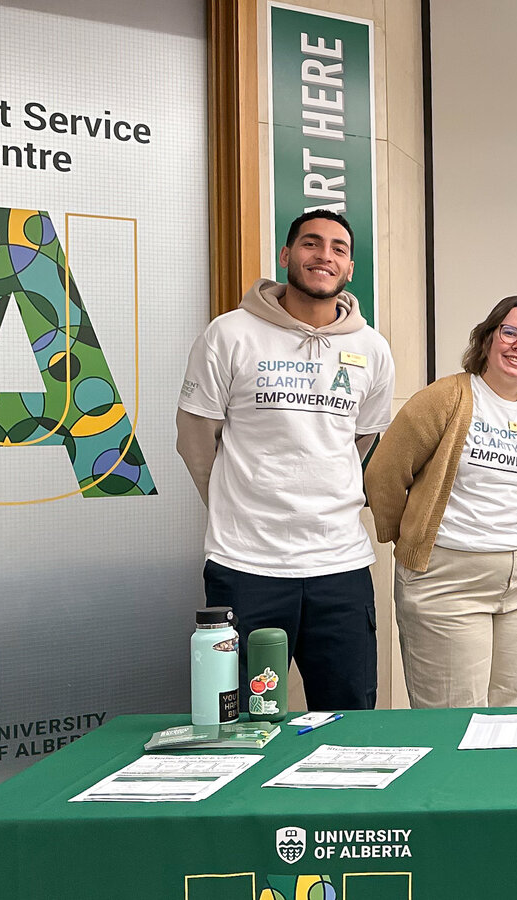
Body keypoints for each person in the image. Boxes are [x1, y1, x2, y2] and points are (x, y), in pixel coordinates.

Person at [176, 210, 393, 711]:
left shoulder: (372, 349)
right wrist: (239, 502)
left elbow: (362, 440)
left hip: (340, 564)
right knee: (240, 718)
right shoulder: (229, 335)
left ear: (350, 268)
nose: (324, 256)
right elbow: (195, 440)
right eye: (311, 244)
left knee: (348, 718)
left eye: (338, 248)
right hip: (246, 564)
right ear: (286, 255)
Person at [363, 297, 517, 709]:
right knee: (454, 713)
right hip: (448, 583)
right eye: (510, 332)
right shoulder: (447, 397)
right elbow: (384, 472)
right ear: (487, 340)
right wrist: (405, 536)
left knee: (513, 710)